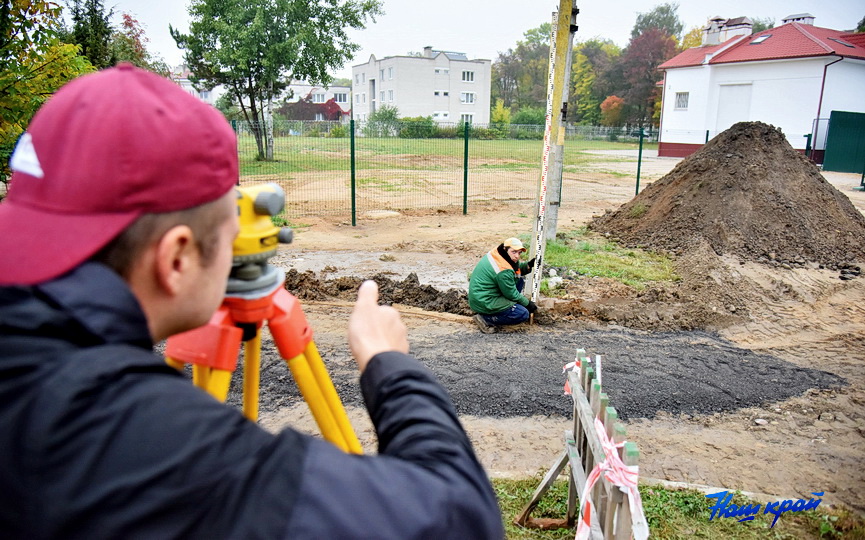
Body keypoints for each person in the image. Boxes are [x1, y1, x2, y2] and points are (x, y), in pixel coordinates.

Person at [0, 64, 503, 539]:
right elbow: (456, 516)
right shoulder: (138, 439)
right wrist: (391, 367)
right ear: (177, 259)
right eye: (227, 226)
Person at [468, 237, 538, 333]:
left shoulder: (499, 253)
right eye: (514, 252)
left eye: (519, 253)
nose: (517, 256)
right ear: (506, 249)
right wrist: (527, 304)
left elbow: (515, 270)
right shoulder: (503, 269)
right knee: (522, 314)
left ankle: (508, 307)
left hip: (483, 295)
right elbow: (511, 293)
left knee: (519, 280)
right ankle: (485, 318)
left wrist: (528, 265)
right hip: (485, 301)